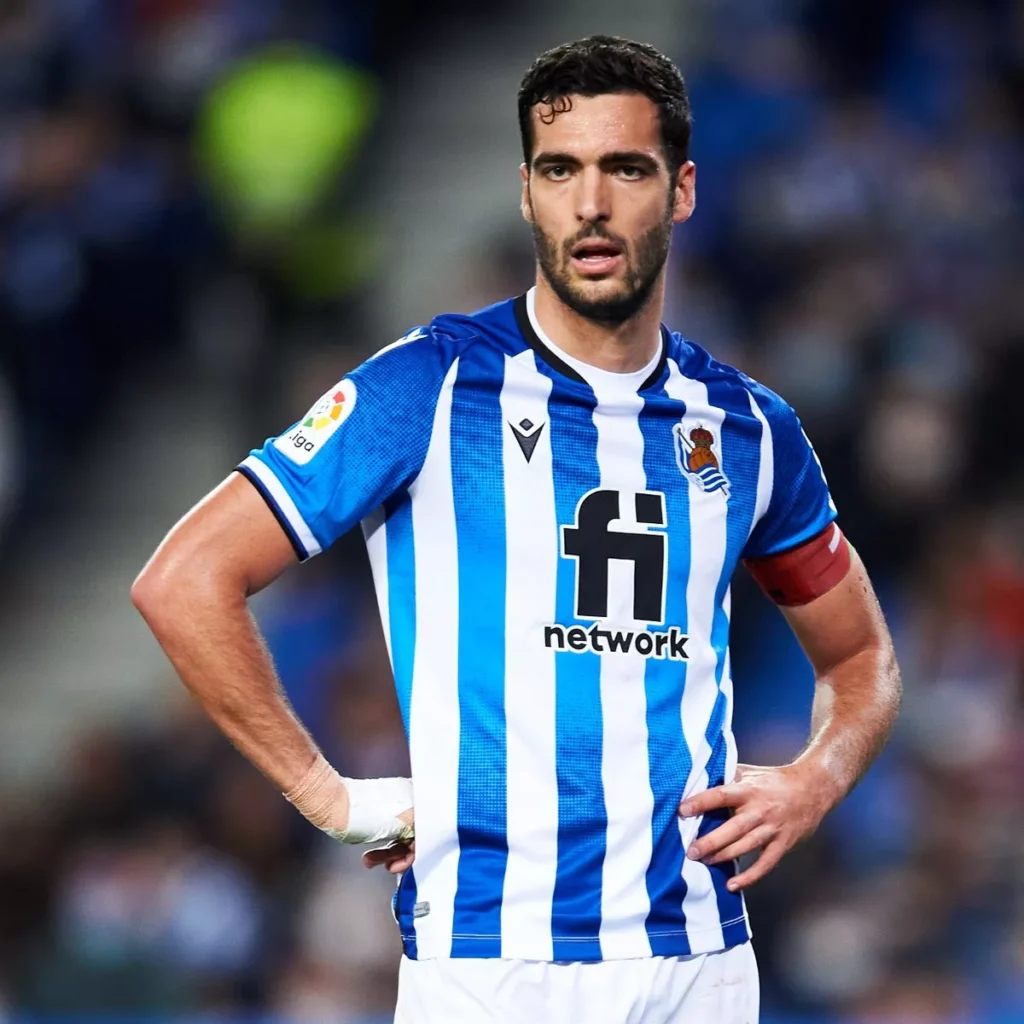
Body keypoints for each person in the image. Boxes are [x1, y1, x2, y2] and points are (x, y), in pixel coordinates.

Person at [133, 35, 901, 1024]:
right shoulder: (431, 383)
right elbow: (185, 579)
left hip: (701, 960)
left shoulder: (750, 428)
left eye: (625, 168)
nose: (591, 203)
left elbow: (860, 654)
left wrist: (817, 777)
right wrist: (326, 795)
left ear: (682, 190)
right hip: (493, 964)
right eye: (560, 170)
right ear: (527, 192)